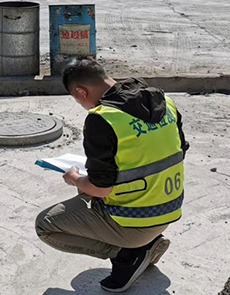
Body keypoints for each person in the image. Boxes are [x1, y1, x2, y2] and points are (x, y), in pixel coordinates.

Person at [36, 58, 189, 293]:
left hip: (132, 221)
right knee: (90, 185)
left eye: (77, 99)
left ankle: (127, 255)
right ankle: (142, 243)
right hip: (169, 210)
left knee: (45, 225)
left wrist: (74, 178)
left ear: (80, 91)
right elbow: (178, 151)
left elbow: (101, 189)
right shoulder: (164, 101)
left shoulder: (102, 118)